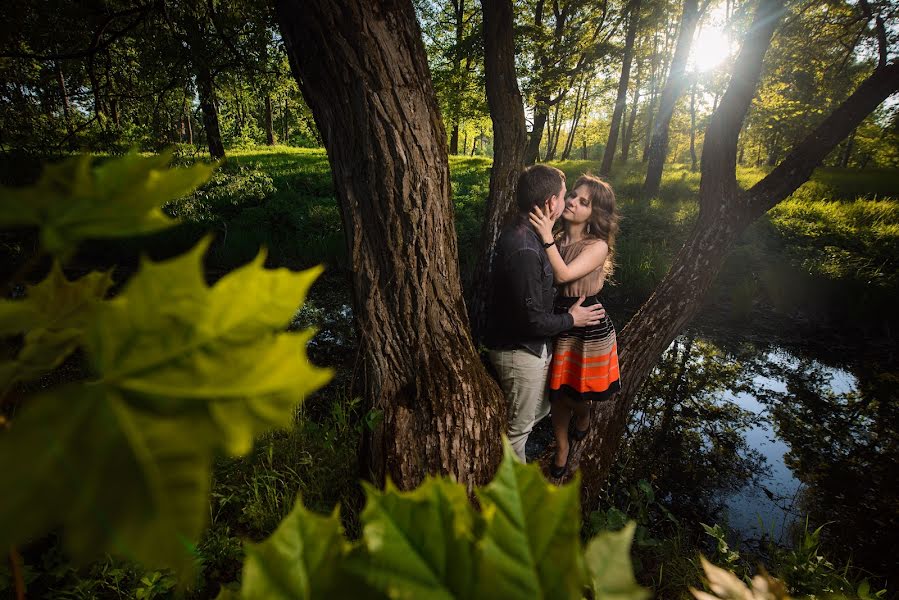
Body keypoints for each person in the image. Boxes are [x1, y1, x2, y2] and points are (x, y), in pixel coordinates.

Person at [485, 164, 606, 462]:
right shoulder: (529, 245)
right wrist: (570, 319)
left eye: (580, 201)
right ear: (552, 203)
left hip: (548, 337)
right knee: (519, 429)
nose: (569, 203)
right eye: (567, 196)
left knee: (545, 405)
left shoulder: (540, 235)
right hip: (524, 344)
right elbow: (531, 318)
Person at [528, 174, 621, 477]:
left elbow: (564, 275)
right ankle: (562, 446)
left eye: (584, 202)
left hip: (587, 321)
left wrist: (545, 237)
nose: (573, 203)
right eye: (573, 196)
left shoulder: (597, 246)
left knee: (577, 393)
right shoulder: (554, 233)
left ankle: (583, 417)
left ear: (594, 214)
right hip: (556, 316)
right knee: (556, 392)